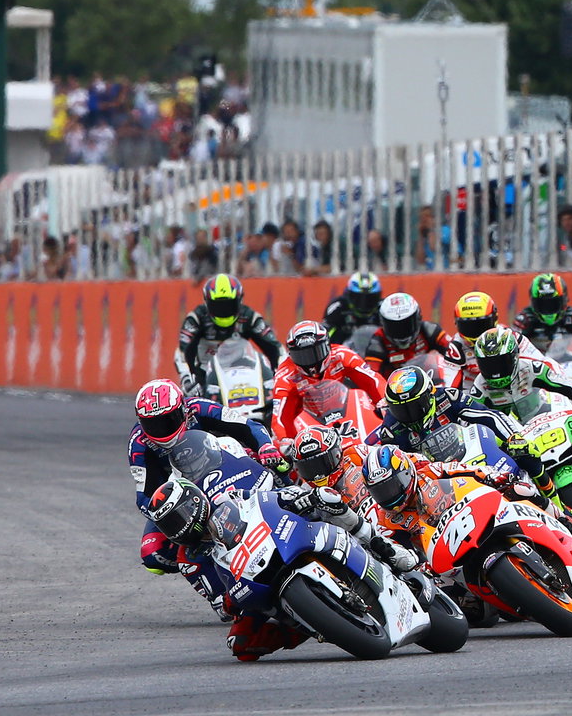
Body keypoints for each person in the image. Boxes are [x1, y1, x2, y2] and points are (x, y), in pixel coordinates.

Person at [147, 475, 418, 661]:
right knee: (241, 646)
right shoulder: (189, 560)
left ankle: (384, 547)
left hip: (278, 542)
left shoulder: (228, 499)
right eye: (171, 524)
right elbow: (217, 600)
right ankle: (311, 623)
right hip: (251, 582)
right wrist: (229, 602)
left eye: (180, 515)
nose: (180, 526)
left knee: (327, 501)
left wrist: (295, 500)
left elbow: (263, 500)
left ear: (196, 501)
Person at [130, 379, 285, 602]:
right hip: (185, 495)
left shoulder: (200, 408)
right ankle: (224, 595)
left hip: (227, 464)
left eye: (167, 421)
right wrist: (172, 517)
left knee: (279, 463)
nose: (161, 430)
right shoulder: (139, 443)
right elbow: (145, 496)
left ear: (182, 410)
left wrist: (265, 448)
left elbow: (249, 426)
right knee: (154, 552)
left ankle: (305, 505)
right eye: (152, 424)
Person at [362, 445, 572, 554]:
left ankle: (571, 526)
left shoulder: (428, 471)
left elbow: (467, 470)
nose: (390, 495)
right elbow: (401, 551)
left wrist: (496, 477)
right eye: (381, 491)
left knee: (521, 489)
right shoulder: (386, 518)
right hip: (445, 554)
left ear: (406, 473)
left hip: (474, 514)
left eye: (392, 486)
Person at [269, 320, 386, 443]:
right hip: (305, 426)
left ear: (327, 346)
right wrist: (285, 439)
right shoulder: (285, 374)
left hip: (342, 414)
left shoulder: (341, 354)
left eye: (316, 352)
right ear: (291, 355)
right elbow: (280, 416)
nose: (310, 362)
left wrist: (384, 402)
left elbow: (372, 379)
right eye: (302, 356)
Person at [367, 365, 522, 455]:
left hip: (473, 453)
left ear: (429, 394)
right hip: (440, 478)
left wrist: (513, 437)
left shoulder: (448, 397)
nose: (409, 413)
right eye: (401, 408)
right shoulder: (390, 428)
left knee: (526, 454)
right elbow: (402, 466)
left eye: (414, 405)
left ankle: (546, 496)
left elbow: (488, 416)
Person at [176, 274, 282, 395]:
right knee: (192, 401)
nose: (223, 311)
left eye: (229, 305)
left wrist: (280, 376)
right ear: (207, 303)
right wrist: (187, 380)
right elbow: (181, 352)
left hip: (243, 373)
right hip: (206, 376)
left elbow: (276, 348)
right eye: (218, 306)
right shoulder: (196, 318)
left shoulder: (249, 317)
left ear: (239, 301)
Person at [471, 325, 572, 417]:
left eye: (500, 362)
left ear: (514, 356)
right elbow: (469, 416)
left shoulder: (532, 369)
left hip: (545, 424)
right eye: (489, 365)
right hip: (510, 440)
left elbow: (571, 385)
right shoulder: (480, 385)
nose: (495, 370)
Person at [362, 292, 452, 380]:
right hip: (394, 390)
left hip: (429, 383)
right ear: (383, 324)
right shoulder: (378, 341)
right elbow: (371, 376)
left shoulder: (430, 330)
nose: (401, 331)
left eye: (406, 325)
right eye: (394, 327)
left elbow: (454, 352)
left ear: (417, 318)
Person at [513, 272, 572, 354]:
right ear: (533, 303)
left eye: (553, 304)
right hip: (533, 366)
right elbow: (511, 349)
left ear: (564, 301)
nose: (548, 309)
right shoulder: (524, 320)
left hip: (565, 365)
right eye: (543, 304)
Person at [322, 271, 382, 345]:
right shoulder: (337, 306)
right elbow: (324, 334)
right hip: (343, 351)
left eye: (370, 299)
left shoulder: (383, 308)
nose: (364, 304)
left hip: (376, 351)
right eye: (358, 298)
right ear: (349, 295)